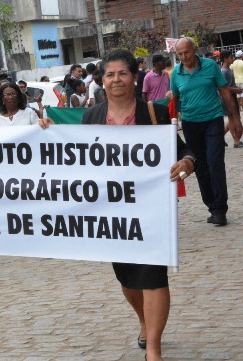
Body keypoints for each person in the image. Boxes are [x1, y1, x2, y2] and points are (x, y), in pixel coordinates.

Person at [82, 49, 195, 361]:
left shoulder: (153, 113)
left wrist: (186, 163)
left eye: (123, 73)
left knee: (154, 274)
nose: (116, 79)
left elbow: (186, 152)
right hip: (112, 212)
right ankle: (143, 320)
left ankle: (154, 349)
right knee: (128, 277)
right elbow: (72, 156)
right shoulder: (91, 116)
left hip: (151, 209)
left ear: (135, 77)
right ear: (102, 80)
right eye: (110, 74)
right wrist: (46, 131)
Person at [171, 37, 242, 226]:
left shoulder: (210, 66)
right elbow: (175, 98)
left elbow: (224, 91)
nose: (184, 57)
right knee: (200, 165)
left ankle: (220, 209)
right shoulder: (176, 73)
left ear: (194, 50)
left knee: (215, 163)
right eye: (180, 54)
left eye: (187, 52)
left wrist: (235, 118)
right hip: (190, 124)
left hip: (213, 120)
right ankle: (211, 206)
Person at [220, 51, 243, 147]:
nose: (233, 58)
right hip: (227, 97)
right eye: (231, 57)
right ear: (225, 59)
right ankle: (236, 141)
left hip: (232, 96)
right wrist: (236, 90)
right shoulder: (223, 71)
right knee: (232, 119)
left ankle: (220, 137)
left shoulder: (228, 69)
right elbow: (223, 88)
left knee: (233, 119)